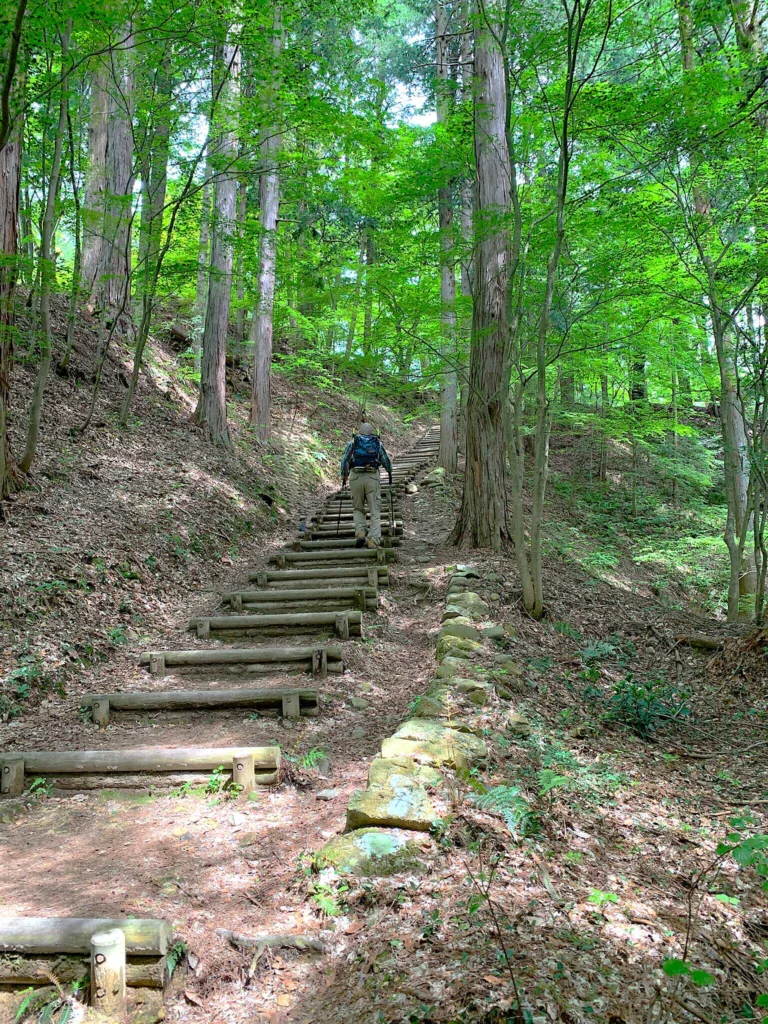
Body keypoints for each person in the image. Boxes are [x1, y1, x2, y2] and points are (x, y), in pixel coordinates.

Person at [340, 423, 393, 548]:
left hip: (355, 477)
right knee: (374, 510)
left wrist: (344, 476)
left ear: (359, 432)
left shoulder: (353, 443)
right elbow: (386, 461)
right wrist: (390, 472)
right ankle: (373, 540)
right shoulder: (377, 444)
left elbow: (344, 460)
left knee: (358, 508)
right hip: (372, 477)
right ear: (372, 432)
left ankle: (360, 533)